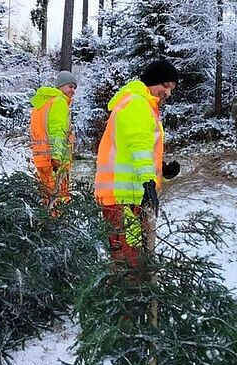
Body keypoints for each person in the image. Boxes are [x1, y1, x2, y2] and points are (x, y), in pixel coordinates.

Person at [95, 59, 181, 268]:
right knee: (128, 258)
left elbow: (137, 146)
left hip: (129, 193)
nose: (168, 93)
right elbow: (139, 145)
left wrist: (160, 166)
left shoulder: (140, 103)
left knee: (131, 254)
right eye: (166, 86)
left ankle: (130, 295)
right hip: (124, 194)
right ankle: (129, 298)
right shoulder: (137, 102)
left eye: (172, 89)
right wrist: (148, 181)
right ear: (153, 81)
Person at [30, 71, 77, 208]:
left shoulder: (42, 104)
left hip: (41, 157)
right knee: (59, 199)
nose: (72, 90)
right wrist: (57, 157)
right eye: (70, 86)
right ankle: (58, 226)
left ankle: (48, 225)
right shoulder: (59, 102)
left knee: (48, 198)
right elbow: (57, 131)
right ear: (60, 86)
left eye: (74, 87)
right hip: (55, 161)